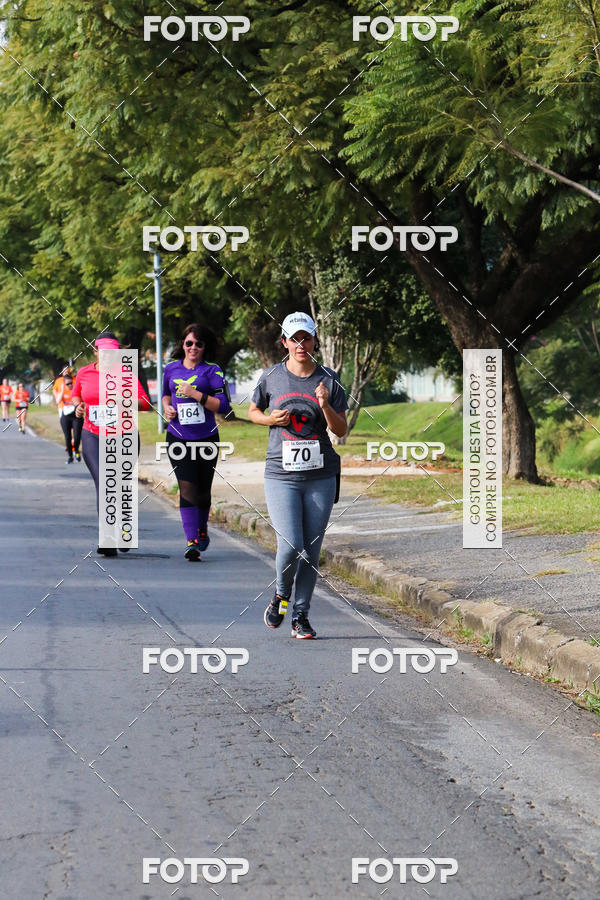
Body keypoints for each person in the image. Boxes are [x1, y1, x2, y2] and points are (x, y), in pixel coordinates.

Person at [249, 312, 348, 639]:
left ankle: (301, 616)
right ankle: (281, 593)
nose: (300, 344)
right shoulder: (271, 377)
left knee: (312, 547)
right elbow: (253, 412)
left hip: (321, 474)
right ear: (284, 342)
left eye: (306, 338)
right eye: (294, 339)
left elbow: (341, 429)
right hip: (281, 474)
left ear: (315, 341)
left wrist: (324, 405)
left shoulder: (330, 380)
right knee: (290, 543)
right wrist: (270, 420)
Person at [72, 332, 151, 557]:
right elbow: (76, 396)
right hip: (92, 435)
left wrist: (122, 399)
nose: (108, 357)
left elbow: (145, 404)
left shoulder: (125, 374)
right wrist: (78, 407)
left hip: (123, 437)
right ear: (96, 352)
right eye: (104, 352)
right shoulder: (83, 372)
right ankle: (107, 537)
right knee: (105, 482)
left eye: (113, 353)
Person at [162, 323, 231, 561]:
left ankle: (202, 529)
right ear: (182, 344)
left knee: (203, 489)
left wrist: (195, 394)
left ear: (205, 347)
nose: (193, 348)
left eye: (198, 344)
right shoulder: (170, 369)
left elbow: (223, 406)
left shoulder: (212, 371)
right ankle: (191, 541)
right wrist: (167, 409)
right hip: (178, 437)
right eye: (189, 343)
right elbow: (165, 394)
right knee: (187, 487)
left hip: (207, 437)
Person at [55, 371, 82, 463]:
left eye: (71, 383)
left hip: (76, 416)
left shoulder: (77, 390)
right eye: (68, 384)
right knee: (67, 437)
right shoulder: (63, 390)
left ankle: (76, 450)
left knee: (77, 435)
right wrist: (62, 390)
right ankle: (70, 456)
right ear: (64, 384)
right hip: (65, 416)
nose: (70, 385)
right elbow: (57, 401)